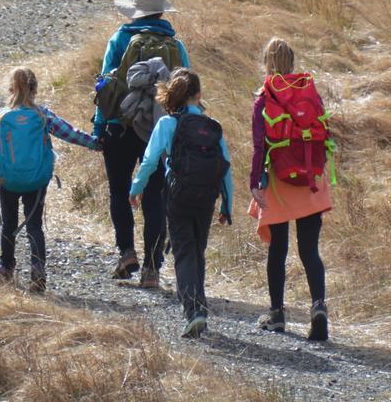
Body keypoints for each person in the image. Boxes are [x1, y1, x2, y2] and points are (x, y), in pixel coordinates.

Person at [94, 0, 191, 287]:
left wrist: (100, 127)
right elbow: (186, 88)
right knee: (155, 197)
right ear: (162, 12)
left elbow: (104, 86)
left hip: (119, 125)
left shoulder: (120, 38)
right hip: (160, 130)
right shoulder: (175, 44)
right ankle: (152, 267)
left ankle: (126, 253)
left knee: (119, 190)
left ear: (135, 11)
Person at [130, 68, 233, 338]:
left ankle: (193, 311)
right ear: (198, 95)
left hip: (178, 195)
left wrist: (136, 188)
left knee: (184, 250)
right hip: (207, 196)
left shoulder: (166, 124)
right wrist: (227, 205)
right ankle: (198, 305)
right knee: (197, 250)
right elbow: (226, 168)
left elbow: (150, 161)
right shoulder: (213, 127)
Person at [0, 67, 100, 292]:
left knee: (9, 224)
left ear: (11, 88)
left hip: (8, 180)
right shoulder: (43, 115)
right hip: (37, 179)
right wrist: (96, 143)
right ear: (35, 88)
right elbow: (69, 133)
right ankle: (37, 271)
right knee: (34, 225)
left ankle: (6, 267)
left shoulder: (1, 116)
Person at [249, 38, 332, 341]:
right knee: (310, 250)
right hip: (310, 179)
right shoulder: (310, 92)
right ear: (293, 62)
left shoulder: (264, 98)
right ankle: (318, 308)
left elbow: (259, 147)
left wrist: (255, 183)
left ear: (266, 63)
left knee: (278, 250)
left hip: (281, 182)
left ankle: (277, 315)